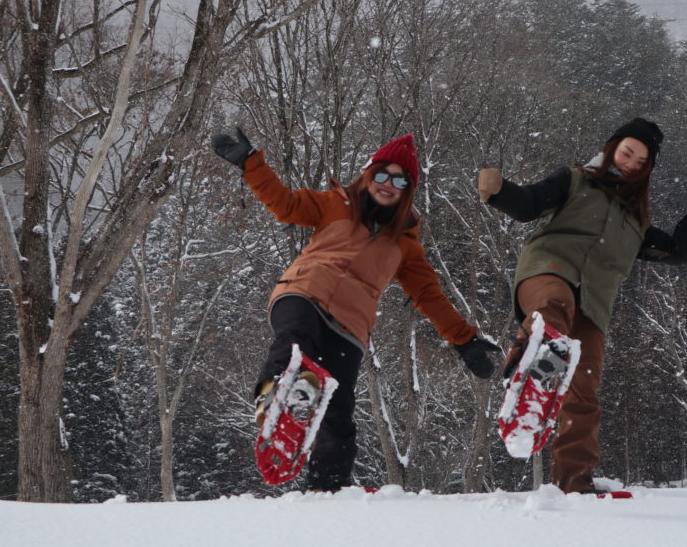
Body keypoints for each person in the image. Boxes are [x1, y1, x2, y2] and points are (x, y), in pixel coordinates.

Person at [213, 128, 499, 492]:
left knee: (339, 408)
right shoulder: (334, 204)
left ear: (407, 191)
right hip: (304, 292)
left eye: (399, 180)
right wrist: (251, 163)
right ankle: (276, 393)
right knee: (295, 344)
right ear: (368, 175)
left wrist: (465, 340)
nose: (387, 184)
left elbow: (430, 296)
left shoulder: (405, 245)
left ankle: (328, 487)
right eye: (382, 174)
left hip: (350, 326)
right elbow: (283, 203)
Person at [478, 117, 687, 494]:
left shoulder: (636, 223)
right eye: (628, 152)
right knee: (553, 308)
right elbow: (530, 204)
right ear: (612, 147)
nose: (630, 163)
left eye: (641, 162)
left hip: (594, 303)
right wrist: (498, 191)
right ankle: (526, 368)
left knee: (585, 388)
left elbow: (677, 251)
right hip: (549, 269)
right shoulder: (574, 180)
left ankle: (574, 484)